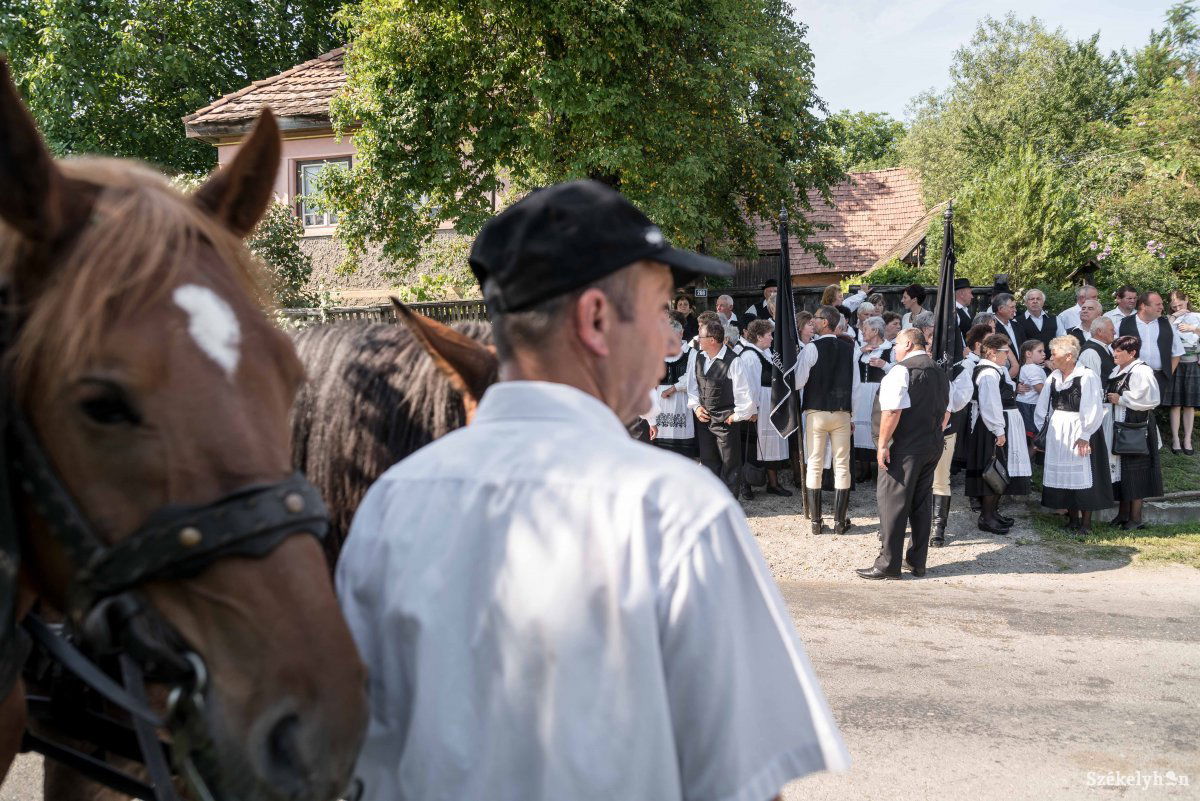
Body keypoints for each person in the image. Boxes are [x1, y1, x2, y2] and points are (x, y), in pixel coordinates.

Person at [335, 179, 849, 801]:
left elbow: (359, 751)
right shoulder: (676, 511)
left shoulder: (392, 504)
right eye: (662, 313)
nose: (669, 343)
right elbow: (744, 787)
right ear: (597, 320)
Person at [856, 328, 951, 580]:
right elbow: (947, 411)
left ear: (908, 343)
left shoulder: (901, 371)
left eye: (897, 344)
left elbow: (892, 411)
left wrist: (883, 444)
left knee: (892, 503)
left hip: (905, 447)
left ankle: (888, 564)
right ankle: (917, 562)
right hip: (930, 445)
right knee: (921, 504)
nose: (894, 349)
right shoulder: (939, 371)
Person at [1034, 335, 1113, 537]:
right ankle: (1072, 519)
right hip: (1058, 430)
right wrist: (1045, 431)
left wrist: (1085, 434)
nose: (1051, 356)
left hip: (1082, 429)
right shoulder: (1053, 377)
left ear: (1069, 356)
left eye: (1054, 352)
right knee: (1064, 475)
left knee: (1084, 475)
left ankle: (1085, 523)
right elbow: (1043, 406)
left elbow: (1093, 407)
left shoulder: (1087, 376)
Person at [795, 305, 859, 535]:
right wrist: (853, 414)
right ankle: (840, 522)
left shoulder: (811, 348)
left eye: (816, 318)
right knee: (842, 465)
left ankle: (816, 521)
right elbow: (856, 386)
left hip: (816, 412)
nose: (813, 321)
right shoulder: (851, 349)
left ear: (825, 322)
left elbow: (799, 380)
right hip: (842, 412)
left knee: (814, 463)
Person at [914, 311, 975, 548]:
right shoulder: (913, 363)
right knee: (915, 480)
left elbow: (961, 398)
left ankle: (938, 528)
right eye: (927, 337)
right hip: (916, 429)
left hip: (944, 429)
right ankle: (915, 524)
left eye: (934, 337)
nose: (931, 342)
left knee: (940, 478)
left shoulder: (957, 367)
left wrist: (943, 385)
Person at [965, 334, 1032, 533]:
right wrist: (998, 431)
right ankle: (986, 517)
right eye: (1005, 352)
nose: (1007, 356)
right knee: (993, 469)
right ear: (993, 353)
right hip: (991, 427)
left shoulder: (996, 370)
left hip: (1001, 424)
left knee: (1000, 469)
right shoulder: (988, 374)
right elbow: (990, 404)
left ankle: (992, 513)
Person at [689, 318, 757, 497]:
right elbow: (692, 387)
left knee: (730, 465)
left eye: (700, 337)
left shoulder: (733, 361)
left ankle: (730, 505)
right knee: (708, 463)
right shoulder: (697, 357)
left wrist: (736, 415)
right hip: (704, 420)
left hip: (726, 421)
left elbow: (744, 395)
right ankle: (712, 502)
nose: (697, 340)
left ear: (712, 340)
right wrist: (696, 407)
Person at [1106, 336, 1163, 530]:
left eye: (1119, 350)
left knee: (1136, 471)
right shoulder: (1118, 370)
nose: (1115, 353)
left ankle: (1136, 518)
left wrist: (1121, 399)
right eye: (1114, 349)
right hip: (1120, 425)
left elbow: (1151, 400)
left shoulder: (1141, 371)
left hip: (1136, 427)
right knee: (1122, 470)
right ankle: (1122, 514)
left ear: (1132, 353)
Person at [741, 319, 792, 497]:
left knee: (768, 445)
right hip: (759, 405)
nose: (772, 338)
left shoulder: (765, 352)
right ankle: (746, 484)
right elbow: (749, 386)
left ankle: (773, 483)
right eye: (769, 335)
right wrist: (752, 409)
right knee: (753, 445)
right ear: (759, 336)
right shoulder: (749, 356)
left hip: (769, 403)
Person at [1119, 291, 1183, 401]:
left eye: (1162, 304)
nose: (1162, 307)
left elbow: (1177, 353)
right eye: (1158, 304)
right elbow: (1113, 351)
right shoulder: (1123, 324)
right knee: (1133, 411)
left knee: (1153, 411)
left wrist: (1166, 375)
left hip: (1159, 378)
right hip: (1132, 377)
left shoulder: (1167, 324)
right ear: (1144, 306)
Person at [648, 318, 698, 457]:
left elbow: (692, 376)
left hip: (681, 402)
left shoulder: (691, 353)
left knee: (682, 447)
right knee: (660, 447)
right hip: (659, 403)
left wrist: (673, 388)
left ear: (681, 334)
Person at [852, 316, 894, 482]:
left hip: (879, 391)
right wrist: (860, 351)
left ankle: (881, 468)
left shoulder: (890, 348)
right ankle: (864, 468)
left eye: (866, 329)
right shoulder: (860, 349)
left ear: (875, 331)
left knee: (878, 428)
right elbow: (849, 365)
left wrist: (884, 365)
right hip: (862, 392)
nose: (862, 332)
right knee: (861, 429)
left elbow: (899, 371)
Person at [1166, 289, 1200, 454]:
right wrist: (1174, 316)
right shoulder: (1169, 319)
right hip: (1175, 363)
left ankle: (1187, 439)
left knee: (1189, 404)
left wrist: (1193, 328)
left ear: (1186, 299)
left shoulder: (1197, 317)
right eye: (1174, 306)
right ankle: (1175, 439)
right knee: (1175, 404)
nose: (1177, 308)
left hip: (1193, 363)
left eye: (1180, 304)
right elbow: (1163, 334)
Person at [1017, 339, 1048, 445]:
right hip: (1029, 406)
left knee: (1034, 438)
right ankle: (1026, 460)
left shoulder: (1032, 367)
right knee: (1035, 439)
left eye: (1043, 351)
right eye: (1040, 351)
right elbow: (1040, 388)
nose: (1044, 354)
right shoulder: (1032, 369)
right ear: (1028, 354)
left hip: (1029, 405)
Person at [1077, 317, 1116, 389]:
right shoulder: (1090, 352)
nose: (1114, 333)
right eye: (1111, 330)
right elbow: (1090, 385)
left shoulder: (1102, 347)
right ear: (1099, 331)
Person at [1017, 288, 1056, 353]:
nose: (1035, 301)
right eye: (1032, 299)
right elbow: (1018, 346)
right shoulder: (1016, 322)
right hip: (1028, 362)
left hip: (1051, 361)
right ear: (1026, 303)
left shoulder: (1055, 319)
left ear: (1043, 302)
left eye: (1038, 299)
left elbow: (1061, 341)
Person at [955, 278, 975, 348]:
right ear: (961, 294)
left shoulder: (964, 309)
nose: (972, 296)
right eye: (970, 293)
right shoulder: (954, 312)